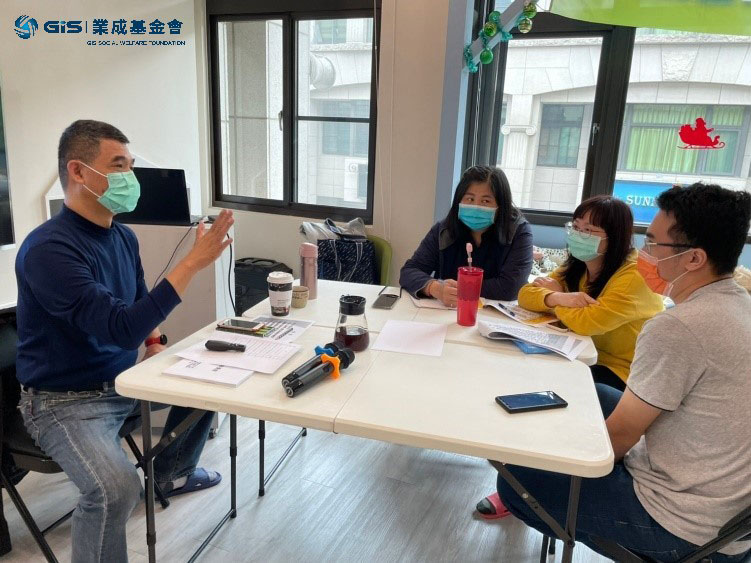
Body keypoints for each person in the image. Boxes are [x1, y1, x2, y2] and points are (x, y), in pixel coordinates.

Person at [15, 120, 234, 563]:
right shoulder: (48, 250)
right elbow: (119, 328)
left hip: (123, 381)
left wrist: (155, 342)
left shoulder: (122, 236)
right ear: (78, 171)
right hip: (63, 402)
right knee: (116, 490)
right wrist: (193, 262)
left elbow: (135, 299)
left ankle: (171, 473)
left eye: (131, 166)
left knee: (214, 378)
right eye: (118, 166)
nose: (130, 177)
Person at [496, 183, 751, 561]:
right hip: (728, 512)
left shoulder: (680, 327)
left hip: (681, 523)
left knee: (516, 481)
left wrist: (559, 455)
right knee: (589, 392)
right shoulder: (739, 302)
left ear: (694, 258)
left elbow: (620, 437)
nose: (644, 253)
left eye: (653, 243)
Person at [476, 195, 663, 520]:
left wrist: (556, 299)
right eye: (575, 227)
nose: (578, 235)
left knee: (541, 402)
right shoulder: (579, 264)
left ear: (615, 237)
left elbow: (588, 321)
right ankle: (519, 480)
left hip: (620, 373)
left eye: (589, 230)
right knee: (519, 379)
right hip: (577, 356)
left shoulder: (633, 275)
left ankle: (526, 486)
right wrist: (560, 298)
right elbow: (526, 294)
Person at [399, 166, 533, 304]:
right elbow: (409, 271)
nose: (476, 206)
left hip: (494, 314)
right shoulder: (444, 230)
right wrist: (434, 288)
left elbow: (512, 287)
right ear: (459, 200)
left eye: (486, 201)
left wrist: (463, 289)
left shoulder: (519, 232)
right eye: (469, 199)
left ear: (501, 205)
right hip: (448, 311)